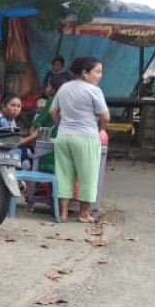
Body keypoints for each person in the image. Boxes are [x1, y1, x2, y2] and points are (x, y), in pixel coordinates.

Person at [49, 56, 109, 223]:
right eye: (97, 72)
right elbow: (105, 115)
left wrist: (61, 124)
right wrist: (101, 129)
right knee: (88, 175)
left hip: (63, 137)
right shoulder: (94, 90)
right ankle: (83, 214)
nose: (100, 75)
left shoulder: (64, 88)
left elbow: (53, 112)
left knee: (63, 174)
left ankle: (63, 213)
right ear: (85, 73)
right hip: (86, 137)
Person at [0, 93, 39, 165]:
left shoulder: (11, 120)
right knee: (28, 154)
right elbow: (15, 142)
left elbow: (17, 134)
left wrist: (30, 135)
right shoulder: (1, 120)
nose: (16, 109)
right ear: (3, 106)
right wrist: (33, 137)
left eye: (18, 106)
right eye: (12, 105)